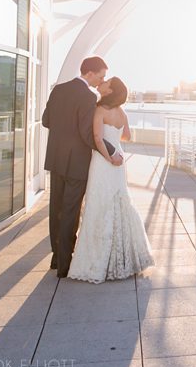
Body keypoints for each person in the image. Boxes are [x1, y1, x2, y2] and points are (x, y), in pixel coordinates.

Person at [42, 56, 122, 279]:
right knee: (70, 212)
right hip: (76, 162)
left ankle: (57, 258)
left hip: (55, 159)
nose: (102, 80)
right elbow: (89, 134)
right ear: (90, 73)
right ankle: (65, 265)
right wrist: (112, 150)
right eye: (101, 75)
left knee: (56, 210)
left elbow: (46, 120)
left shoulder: (58, 90)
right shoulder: (88, 96)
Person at [68, 76, 154, 283]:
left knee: (99, 202)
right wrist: (115, 146)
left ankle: (98, 260)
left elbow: (97, 138)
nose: (103, 82)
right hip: (119, 159)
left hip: (103, 161)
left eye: (107, 82)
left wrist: (108, 157)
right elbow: (127, 136)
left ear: (109, 90)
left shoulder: (99, 110)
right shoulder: (121, 112)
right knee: (119, 201)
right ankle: (126, 257)